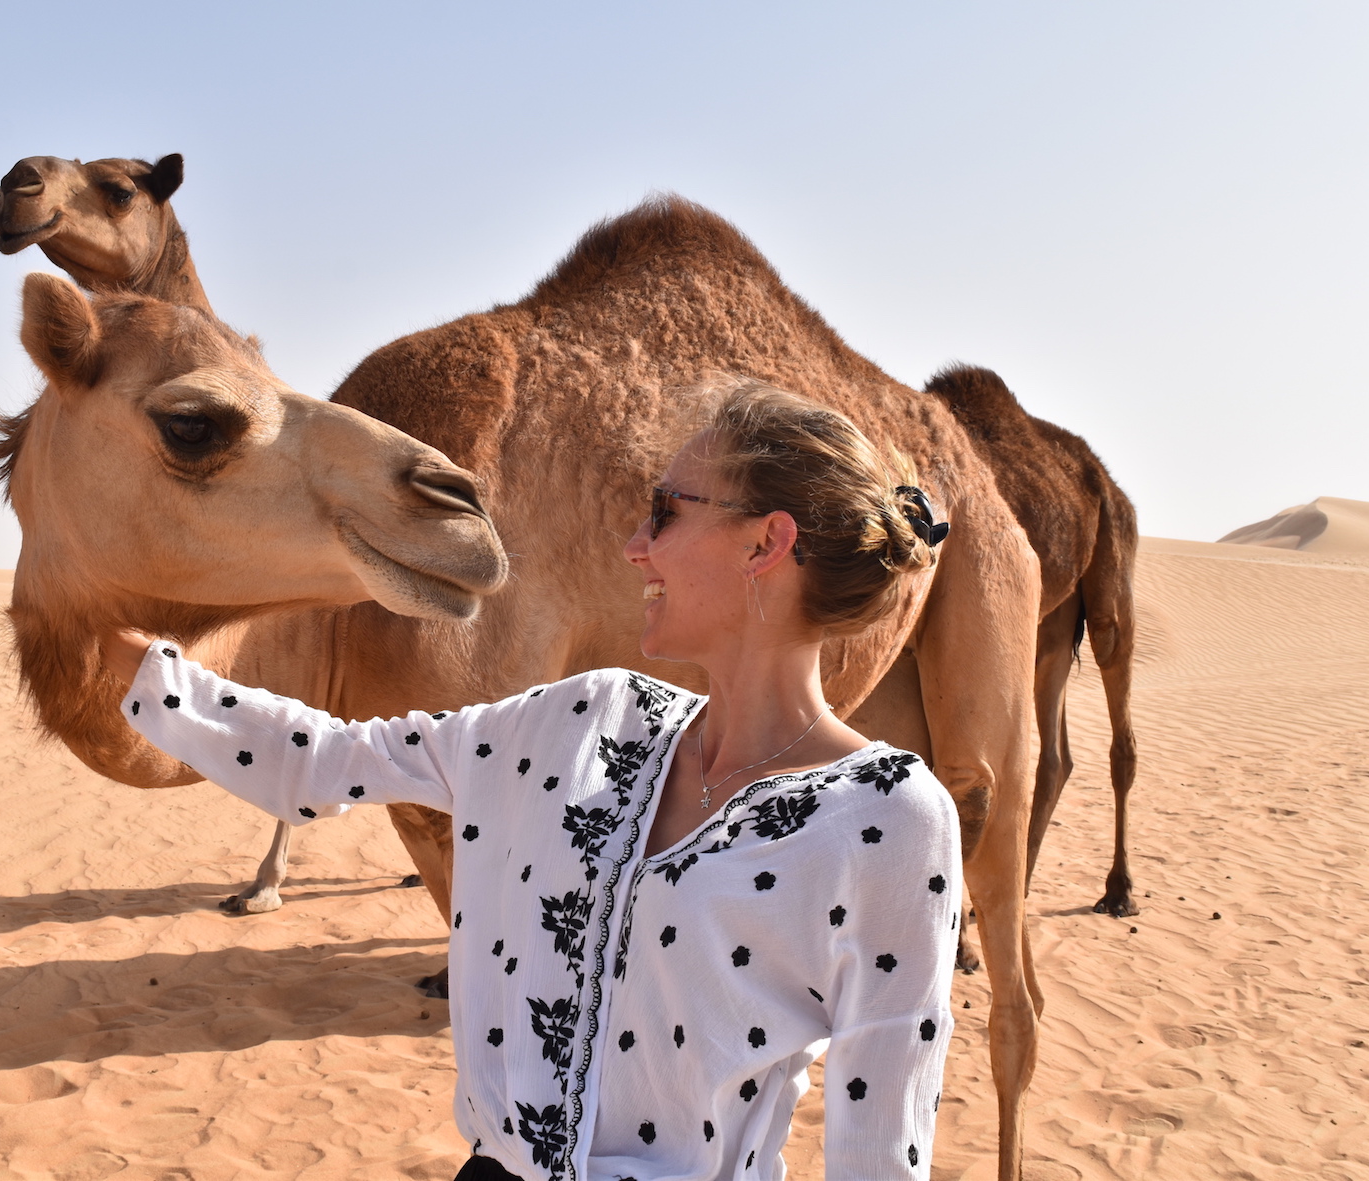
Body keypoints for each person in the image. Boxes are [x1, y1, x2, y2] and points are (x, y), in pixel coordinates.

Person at [103, 381, 962, 1180]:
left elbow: (880, 1146)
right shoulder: (582, 719)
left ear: (765, 542)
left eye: (664, 512)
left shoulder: (886, 818)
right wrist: (137, 668)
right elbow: (323, 761)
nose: (634, 547)